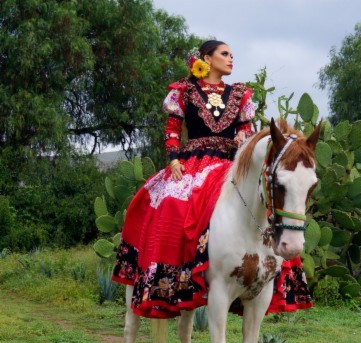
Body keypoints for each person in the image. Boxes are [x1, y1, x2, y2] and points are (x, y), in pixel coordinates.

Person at [112, 40, 312, 318]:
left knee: (261, 203)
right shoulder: (185, 91)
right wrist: (173, 159)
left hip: (229, 164)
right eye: (225, 54)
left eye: (232, 54)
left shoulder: (240, 94)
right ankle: (174, 275)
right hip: (192, 163)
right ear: (207, 58)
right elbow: (172, 129)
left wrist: (244, 137)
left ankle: (271, 271)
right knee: (172, 203)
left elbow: (246, 129)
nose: (231, 59)